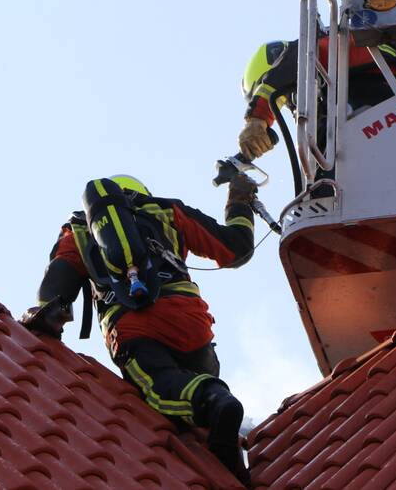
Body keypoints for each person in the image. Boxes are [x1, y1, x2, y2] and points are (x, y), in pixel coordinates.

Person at [20, 173, 258, 487]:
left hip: (132, 325)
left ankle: (213, 399)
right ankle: (216, 426)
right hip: (190, 318)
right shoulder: (165, 211)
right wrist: (239, 202)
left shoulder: (77, 231)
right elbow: (236, 248)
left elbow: (55, 289)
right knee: (197, 373)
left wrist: (42, 326)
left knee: (157, 382)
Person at [239, 31, 396, 159]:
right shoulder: (352, 46)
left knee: (323, 143)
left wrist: (258, 118)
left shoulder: (318, 49)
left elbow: (292, 68)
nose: (289, 105)